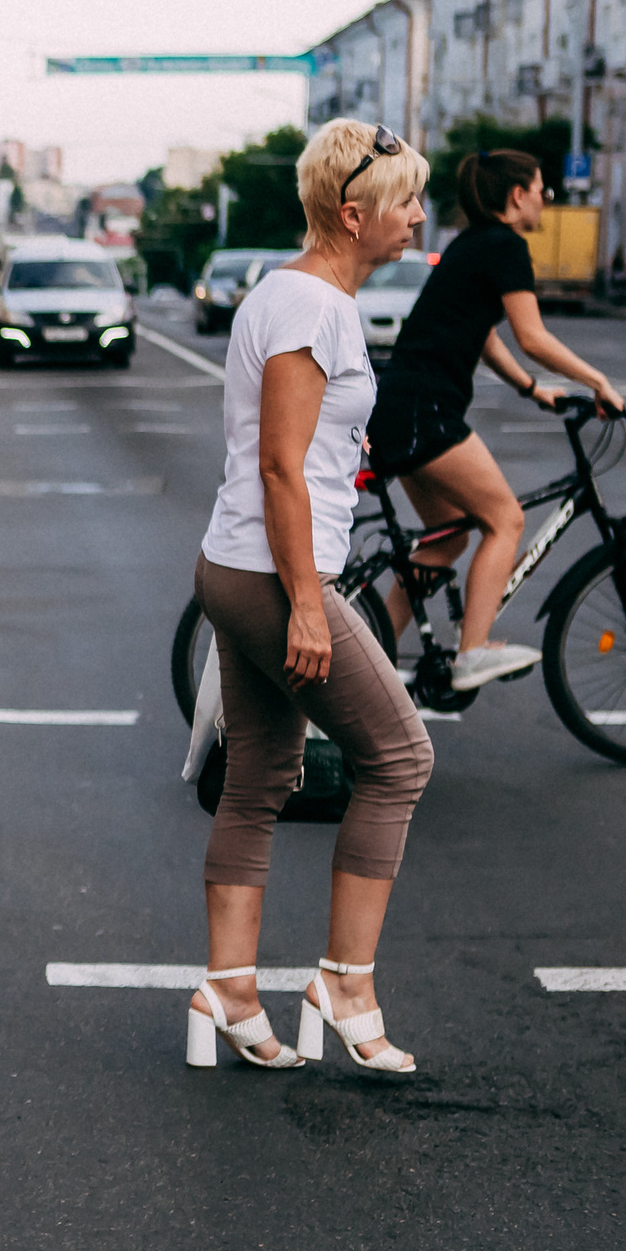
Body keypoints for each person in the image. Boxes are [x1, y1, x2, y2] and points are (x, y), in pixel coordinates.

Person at [190, 119, 435, 1077]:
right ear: (352, 212)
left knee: (258, 777)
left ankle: (230, 988)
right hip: (271, 572)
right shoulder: (312, 307)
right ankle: (345, 980)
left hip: (240, 562)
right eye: (406, 200)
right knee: (401, 757)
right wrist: (305, 600)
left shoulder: (297, 296)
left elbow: (305, 450)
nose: (417, 216)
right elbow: (279, 465)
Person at [367, 150, 625, 689]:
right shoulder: (506, 246)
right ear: (517, 195)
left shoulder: (472, 244)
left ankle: (363, 663)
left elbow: (481, 330)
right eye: (542, 191)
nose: (543, 202)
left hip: (404, 404)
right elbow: (531, 336)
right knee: (504, 519)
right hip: (425, 410)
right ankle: (473, 652)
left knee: (447, 538)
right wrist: (597, 382)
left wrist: (531, 390)